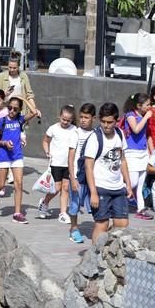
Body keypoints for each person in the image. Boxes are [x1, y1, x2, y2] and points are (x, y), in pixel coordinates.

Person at [0, 96, 40, 222]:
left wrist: (22, 99)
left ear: (19, 110)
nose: (12, 111)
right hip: (3, 155)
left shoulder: (20, 120)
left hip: (17, 156)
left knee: (19, 184)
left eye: (15, 109)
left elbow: (34, 112)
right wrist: (4, 143)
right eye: (10, 108)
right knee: (0, 184)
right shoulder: (2, 121)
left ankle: (17, 213)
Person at [85, 102, 134, 244]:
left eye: (110, 122)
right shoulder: (95, 138)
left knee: (122, 224)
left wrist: (128, 184)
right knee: (102, 224)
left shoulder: (119, 134)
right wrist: (93, 192)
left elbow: (122, 160)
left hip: (118, 187)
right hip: (100, 187)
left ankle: (108, 250)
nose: (106, 125)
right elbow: (89, 166)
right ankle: (94, 257)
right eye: (103, 121)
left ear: (116, 121)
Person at [39, 105, 77, 222]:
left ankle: (63, 213)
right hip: (55, 163)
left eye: (68, 120)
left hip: (68, 164)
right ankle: (44, 203)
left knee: (65, 188)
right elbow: (45, 141)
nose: (65, 122)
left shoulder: (75, 130)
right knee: (56, 188)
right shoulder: (53, 128)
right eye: (63, 119)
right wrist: (47, 151)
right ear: (59, 116)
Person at [66, 103, 97, 244]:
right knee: (75, 204)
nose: (83, 120)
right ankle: (74, 229)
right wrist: (72, 178)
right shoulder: (75, 134)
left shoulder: (96, 134)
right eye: (81, 117)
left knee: (95, 204)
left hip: (91, 176)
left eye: (87, 117)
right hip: (78, 176)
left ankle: (99, 228)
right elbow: (71, 157)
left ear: (93, 118)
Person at [121, 93, 153, 220]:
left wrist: (149, 151)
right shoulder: (131, 115)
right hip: (132, 153)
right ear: (139, 106)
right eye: (147, 105)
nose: (149, 107)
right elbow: (136, 129)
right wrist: (146, 118)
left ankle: (141, 209)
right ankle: (113, 192)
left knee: (140, 184)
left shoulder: (144, 115)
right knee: (132, 182)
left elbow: (145, 134)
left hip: (143, 152)